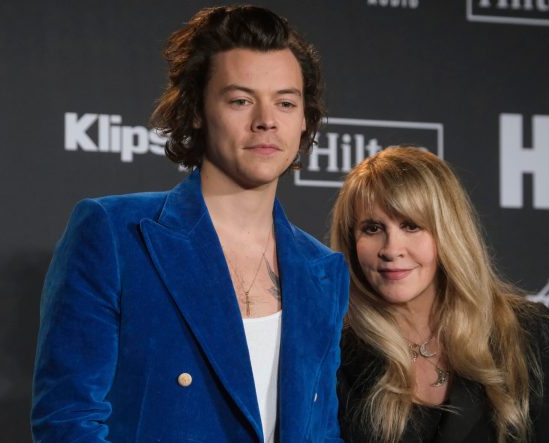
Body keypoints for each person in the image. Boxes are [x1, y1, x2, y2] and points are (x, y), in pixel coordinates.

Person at [31, 6, 348, 442]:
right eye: (240, 100)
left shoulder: (323, 270)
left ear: (304, 119)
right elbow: (68, 421)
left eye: (286, 103)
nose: (266, 120)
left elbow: (322, 432)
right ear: (197, 109)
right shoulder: (115, 234)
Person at [331, 146, 549, 443]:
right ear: (351, 241)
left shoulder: (523, 331)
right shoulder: (334, 348)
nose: (391, 249)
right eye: (372, 228)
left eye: (411, 226)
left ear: (448, 232)